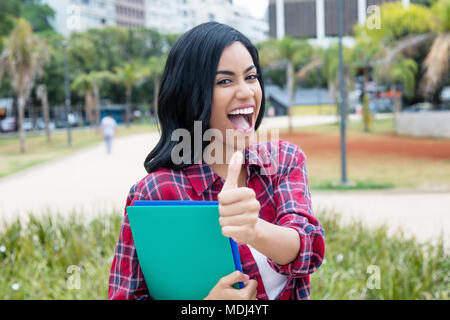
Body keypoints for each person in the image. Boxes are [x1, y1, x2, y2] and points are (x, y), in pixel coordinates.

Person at [108, 22, 325, 300]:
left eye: (251, 77)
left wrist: (253, 228)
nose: (246, 92)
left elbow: (310, 250)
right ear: (191, 94)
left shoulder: (282, 160)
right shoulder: (155, 193)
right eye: (225, 81)